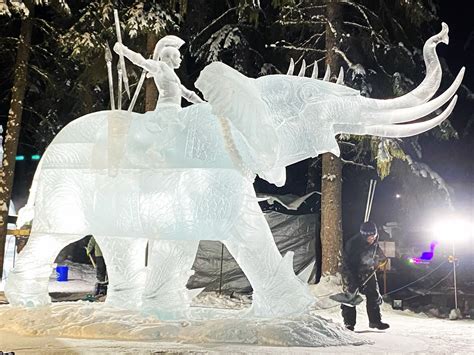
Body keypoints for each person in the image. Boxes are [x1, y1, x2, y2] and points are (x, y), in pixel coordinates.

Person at [113, 35, 204, 108]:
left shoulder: (173, 76)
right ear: (170, 57)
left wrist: (203, 104)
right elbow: (141, 61)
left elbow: (188, 94)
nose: (180, 60)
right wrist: (124, 51)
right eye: (178, 57)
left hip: (174, 110)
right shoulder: (160, 67)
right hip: (165, 110)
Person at [341, 221, 389, 331]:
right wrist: (354, 280)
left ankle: (375, 321)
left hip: (368, 270)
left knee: (373, 294)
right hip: (352, 271)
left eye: (374, 236)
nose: (372, 239)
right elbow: (349, 264)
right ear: (363, 236)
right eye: (369, 237)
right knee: (351, 296)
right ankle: (349, 323)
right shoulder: (353, 244)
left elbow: (377, 251)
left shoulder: (374, 241)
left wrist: (382, 259)